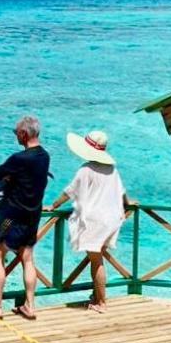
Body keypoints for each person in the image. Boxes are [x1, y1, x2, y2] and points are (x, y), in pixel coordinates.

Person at [0, 115, 50, 321]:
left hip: (13, 214)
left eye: (16, 132)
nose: (16, 136)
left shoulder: (19, 159)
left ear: (24, 134)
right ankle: (30, 305)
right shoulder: (45, 156)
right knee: (27, 258)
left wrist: (9, 178)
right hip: (33, 214)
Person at [50, 130, 133, 314]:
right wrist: (129, 204)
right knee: (98, 257)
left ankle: (101, 302)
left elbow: (69, 192)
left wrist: (53, 205)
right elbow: (122, 193)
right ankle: (96, 296)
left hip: (94, 221)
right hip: (110, 219)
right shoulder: (112, 170)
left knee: (96, 261)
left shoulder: (86, 169)